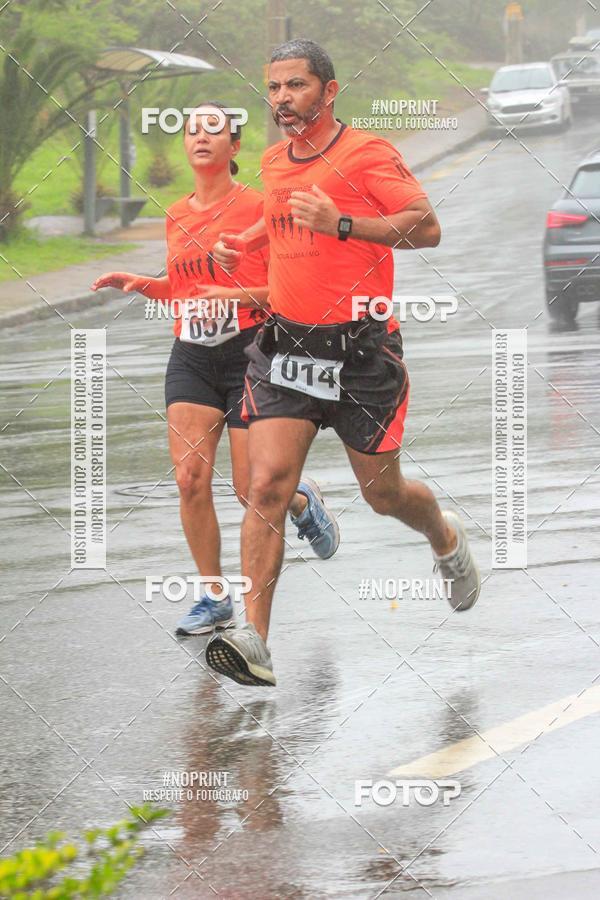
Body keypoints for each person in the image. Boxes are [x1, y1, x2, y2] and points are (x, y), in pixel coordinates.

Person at [205, 43, 481, 687]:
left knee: (383, 494)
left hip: (361, 351)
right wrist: (243, 242)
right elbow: (283, 224)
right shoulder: (274, 161)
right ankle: (255, 641)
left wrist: (346, 222)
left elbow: (426, 227)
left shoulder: (367, 154)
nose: (281, 100)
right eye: (273, 89)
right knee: (266, 486)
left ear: (328, 93)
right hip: (286, 348)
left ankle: (444, 537)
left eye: (295, 87)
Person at [91, 101, 339, 636]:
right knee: (189, 478)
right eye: (190, 129)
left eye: (213, 129)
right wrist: (144, 284)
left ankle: (301, 500)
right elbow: (185, 291)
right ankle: (214, 596)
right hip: (193, 354)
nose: (200, 137)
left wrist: (235, 291)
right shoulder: (176, 212)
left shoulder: (258, 206)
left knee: (252, 490)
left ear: (234, 147)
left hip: (252, 349)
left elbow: (287, 289)